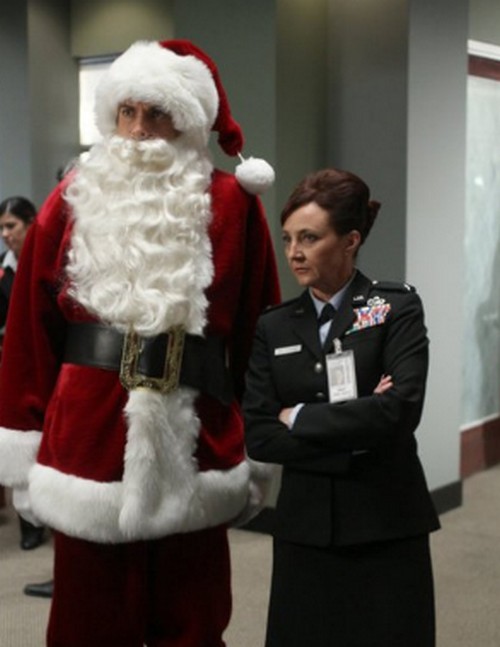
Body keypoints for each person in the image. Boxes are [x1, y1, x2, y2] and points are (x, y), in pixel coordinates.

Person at [0, 39, 280, 646]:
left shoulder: (234, 205)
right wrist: (22, 454)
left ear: (188, 123)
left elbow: (260, 336)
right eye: (126, 112)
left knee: (194, 623)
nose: (138, 131)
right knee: (86, 626)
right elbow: (29, 334)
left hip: (199, 442)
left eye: (156, 114)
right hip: (86, 444)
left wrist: (258, 448)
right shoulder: (70, 201)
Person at [243, 168, 440, 647]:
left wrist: (300, 418)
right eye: (288, 238)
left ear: (350, 241)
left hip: (385, 519)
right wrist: (357, 434)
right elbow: (261, 435)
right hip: (305, 526)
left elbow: (399, 413)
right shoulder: (274, 326)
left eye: (310, 238)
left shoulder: (395, 309)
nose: (294, 251)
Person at [0, 196, 47, 552]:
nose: (5, 234)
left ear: (31, 223)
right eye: (1, 228)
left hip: (47, 363)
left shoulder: (48, 258)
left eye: (11, 226)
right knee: (19, 439)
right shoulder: (3, 270)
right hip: (12, 363)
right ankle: (29, 524)